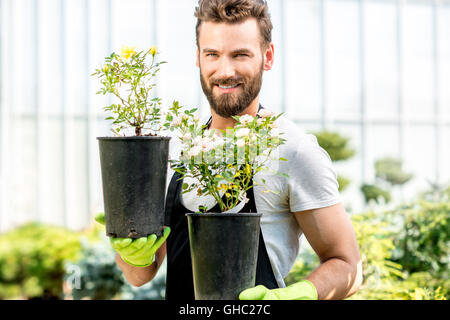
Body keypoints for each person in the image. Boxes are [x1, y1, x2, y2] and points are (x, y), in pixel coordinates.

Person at [96, 0, 362, 300]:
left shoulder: (293, 149)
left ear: (267, 56)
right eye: (213, 54)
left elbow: (347, 265)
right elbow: (141, 275)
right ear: (198, 57)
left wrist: (301, 295)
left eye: (240, 55)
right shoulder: (184, 146)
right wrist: (134, 255)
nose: (225, 70)